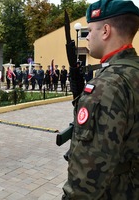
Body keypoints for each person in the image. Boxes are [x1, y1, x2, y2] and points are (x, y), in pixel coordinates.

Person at [62, 0, 139, 199]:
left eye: (89, 31)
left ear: (105, 31)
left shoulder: (105, 86)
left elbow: (87, 178)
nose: (87, 38)